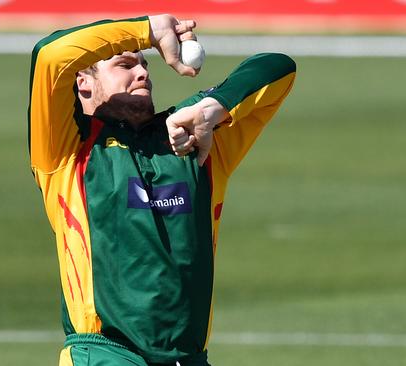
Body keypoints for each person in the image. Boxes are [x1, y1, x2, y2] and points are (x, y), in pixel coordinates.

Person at [27, 14, 296, 366]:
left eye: (145, 66)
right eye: (125, 64)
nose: (143, 74)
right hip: (105, 354)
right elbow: (49, 53)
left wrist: (215, 107)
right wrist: (148, 32)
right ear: (83, 83)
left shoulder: (194, 137)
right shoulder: (66, 148)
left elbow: (278, 67)